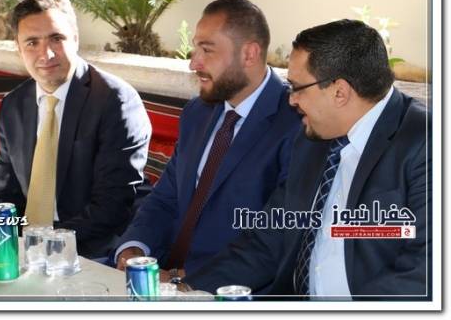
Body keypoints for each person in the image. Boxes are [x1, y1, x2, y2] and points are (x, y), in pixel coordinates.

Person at [184, 19, 431, 299]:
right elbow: (266, 242)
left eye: (297, 87)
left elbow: (425, 271)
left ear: (339, 92)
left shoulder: (426, 144)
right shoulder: (311, 138)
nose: (291, 100)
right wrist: (188, 292)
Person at [114, 0, 301, 282]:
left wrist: (184, 282)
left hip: (223, 289)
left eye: (207, 50)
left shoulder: (296, 123)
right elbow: (165, 197)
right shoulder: (197, 112)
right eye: (195, 48)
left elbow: (274, 239)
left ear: (249, 54)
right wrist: (134, 248)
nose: (193, 63)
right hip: (158, 272)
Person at [0, 0, 151, 259]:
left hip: (92, 249)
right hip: (28, 247)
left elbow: (111, 206)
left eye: (56, 38)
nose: (46, 54)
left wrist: (41, 245)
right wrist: (3, 241)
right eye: (32, 42)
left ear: (75, 38)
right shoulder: (13, 105)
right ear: (18, 48)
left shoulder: (115, 101)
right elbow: (5, 191)